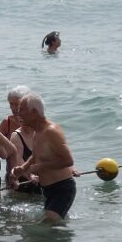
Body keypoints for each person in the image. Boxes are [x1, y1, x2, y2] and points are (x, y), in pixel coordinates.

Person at [10, 93, 77, 221]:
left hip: (63, 189)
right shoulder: (37, 132)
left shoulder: (51, 131)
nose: (18, 113)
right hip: (48, 190)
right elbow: (35, 157)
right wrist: (22, 169)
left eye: (22, 110)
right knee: (48, 231)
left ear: (34, 112)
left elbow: (68, 160)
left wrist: (41, 167)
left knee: (49, 226)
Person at [6, 119, 43, 195]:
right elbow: (18, 162)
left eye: (24, 116)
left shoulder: (41, 132)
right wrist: (30, 175)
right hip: (22, 181)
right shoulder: (16, 136)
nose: (20, 118)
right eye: (19, 116)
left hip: (38, 179)